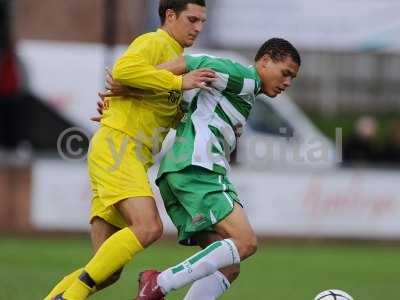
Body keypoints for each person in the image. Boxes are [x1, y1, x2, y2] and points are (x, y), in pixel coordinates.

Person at [44, 1, 214, 299]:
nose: (198, 28)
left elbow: (161, 106)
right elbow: (124, 69)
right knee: (148, 227)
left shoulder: (175, 57)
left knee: (105, 270)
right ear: (170, 15)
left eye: (202, 21)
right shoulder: (156, 41)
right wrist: (179, 81)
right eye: (192, 19)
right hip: (119, 147)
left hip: (120, 150)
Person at [129, 38, 301, 299]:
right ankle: (159, 283)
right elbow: (192, 62)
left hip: (179, 173)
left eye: (292, 78)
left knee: (228, 266)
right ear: (265, 60)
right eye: (285, 73)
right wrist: (131, 81)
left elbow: (183, 100)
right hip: (198, 169)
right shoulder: (245, 78)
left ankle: (159, 285)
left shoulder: (240, 95)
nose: (288, 83)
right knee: (245, 242)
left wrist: (129, 94)